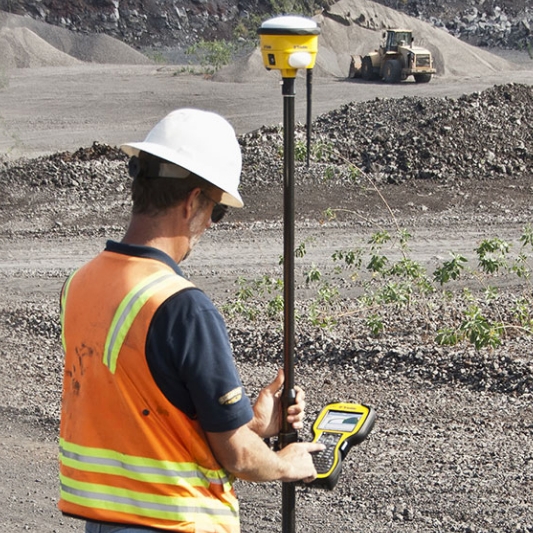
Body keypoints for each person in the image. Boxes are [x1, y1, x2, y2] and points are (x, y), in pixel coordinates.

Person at [58, 108, 323, 533]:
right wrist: (284, 464)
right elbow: (237, 457)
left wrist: (248, 423)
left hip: (105, 522)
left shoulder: (80, 286)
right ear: (193, 201)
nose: (209, 225)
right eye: (216, 211)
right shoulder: (182, 307)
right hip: (173, 521)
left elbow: (137, 407)